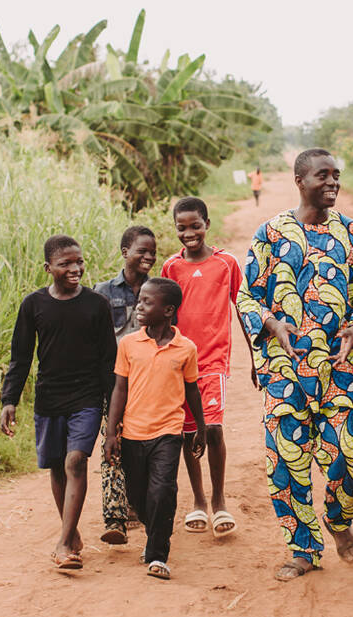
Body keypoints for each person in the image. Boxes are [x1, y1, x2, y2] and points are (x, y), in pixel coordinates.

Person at [236, 148, 353, 582]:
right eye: (324, 175)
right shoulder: (271, 233)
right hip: (285, 372)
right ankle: (303, 548)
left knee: (347, 455)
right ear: (300, 181)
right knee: (286, 461)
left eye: (337, 175)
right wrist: (270, 324)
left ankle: (339, 522)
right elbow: (247, 295)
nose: (333, 182)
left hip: (338, 368)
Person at [0, 235, 117, 570]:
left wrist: (112, 412)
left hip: (87, 397)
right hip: (49, 398)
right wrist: (10, 399)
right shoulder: (33, 305)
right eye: (65, 263)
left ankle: (63, 543)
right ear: (48, 268)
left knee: (76, 460)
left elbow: (109, 361)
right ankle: (72, 530)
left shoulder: (97, 305)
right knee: (56, 466)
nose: (75, 268)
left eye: (78, 261)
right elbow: (20, 357)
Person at [161, 196, 255, 538]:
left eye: (195, 226)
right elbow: (161, 314)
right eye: (181, 228)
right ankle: (198, 500)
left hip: (214, 360)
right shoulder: (171, 267)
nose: (189, 234)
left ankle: (219, 501)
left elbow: (243, 310)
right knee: (188, 431)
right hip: (178, 362)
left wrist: (256, 357)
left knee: (212, 428)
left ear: (207, 225)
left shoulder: (226, 263)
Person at [103, 277, 207, 580]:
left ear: (168, 310)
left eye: (148, 302)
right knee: (138, 496)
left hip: (168, 432)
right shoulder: (129, 344)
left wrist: (199, 428)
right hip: (133, 432)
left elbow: (192, 391)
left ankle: (159, 554)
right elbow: (119, 389)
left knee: (162, 491)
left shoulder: (185, 348)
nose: (140, 306)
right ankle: (155, 531)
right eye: (141, 300)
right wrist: (112, 433)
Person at [93, 225, 157, 543]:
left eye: (152, 253)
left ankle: (138, 505)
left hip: (148, 383)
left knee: (141, 448)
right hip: (113, 381)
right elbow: (94, 340)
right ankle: (115, 518)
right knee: (112, 442)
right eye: (142, 251)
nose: (148, 257)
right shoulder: (103, 292)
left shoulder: (157, 291)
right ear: (125, 253)